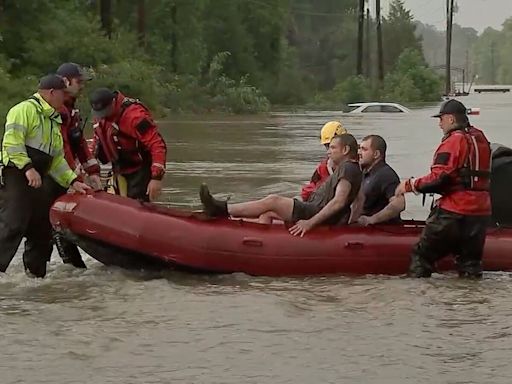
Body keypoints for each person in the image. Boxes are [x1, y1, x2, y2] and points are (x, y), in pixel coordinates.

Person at [0, 74, 90, 277]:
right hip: (16, 171)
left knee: (42, 230)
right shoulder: (24, 110)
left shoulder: (53, 120)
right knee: (13, 224)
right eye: (63, 94)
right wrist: (28, 168)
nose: (65, 98)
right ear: (51, 93)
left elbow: (57, 160)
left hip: (39, 175)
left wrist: (73, 181)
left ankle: (35, 276)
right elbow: (12, 143)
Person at [395, 99, 491, 278]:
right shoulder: (481, 138)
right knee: (470, 264)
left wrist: (409, 185)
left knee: (421, 256)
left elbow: (439, 178)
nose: (439, 124)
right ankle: (472, 301)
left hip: (455, 211)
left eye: (441, 119)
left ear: (451, 119)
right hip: (480, 212)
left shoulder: (454, 141)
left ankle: (417, 299)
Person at [200, 134, 362, 237]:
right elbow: (360, 199)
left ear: (346, 149)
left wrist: (310, 223)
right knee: (268, 211)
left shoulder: (348, 168)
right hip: (312, 208)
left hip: (313, 212)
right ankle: (254, 241)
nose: (329, 152)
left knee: (273, 200)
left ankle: (222, 209)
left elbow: (339, 201)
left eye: (333, 148)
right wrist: (352, 223)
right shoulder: (351, 169)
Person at [41, 62, 102, 269]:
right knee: (51, 224)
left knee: (57, 224)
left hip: (62, 173)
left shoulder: (71, 109)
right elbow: (61, 146)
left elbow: (78, 142)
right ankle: (65, 267)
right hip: (50, 174)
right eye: (79, 81)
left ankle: (70, 269)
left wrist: (92, 171)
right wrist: (72, 177)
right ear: (65, 81)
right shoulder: (56, 110)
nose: (82, 85)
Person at [89, 88, 167, 201]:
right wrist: (90, 170)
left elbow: (157, 145)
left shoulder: (135, 117)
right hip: (119, 168)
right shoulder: (100, 117)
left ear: (113, 103)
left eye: (104, 112)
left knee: (138, 204)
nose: (102, 116)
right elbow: (96, 142)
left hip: (140, 170)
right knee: (119, 202)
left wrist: (156, 178)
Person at [353, 135, 405, 225]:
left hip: (383, 231)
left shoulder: (386, 175)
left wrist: (372, 220)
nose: (359, 153)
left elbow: (399, 204)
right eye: (359, 149)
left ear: (376, 154)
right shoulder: (364, 173)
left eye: (364, 149)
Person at [301, 121, 347, 201]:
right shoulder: (323, 167)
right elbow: (310, 188)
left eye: (333, 147)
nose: (329, 151)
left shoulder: (358, 163)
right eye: (327, 146)